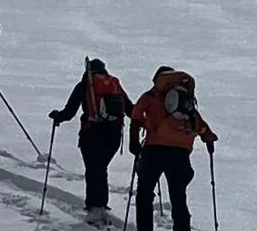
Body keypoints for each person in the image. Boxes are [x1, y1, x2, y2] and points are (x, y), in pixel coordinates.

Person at [129, 66, 218, 231]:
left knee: (144, 195)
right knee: (178, 198)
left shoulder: (150, 96)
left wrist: (134, 143)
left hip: (153, 152)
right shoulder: (185, 101)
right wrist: (209, 138)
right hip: (180, 155)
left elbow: (136, 117)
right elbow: (199, 125)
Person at [50, 59, 134, 227]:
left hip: (92, 134)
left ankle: (94, 208)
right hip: (113, 136)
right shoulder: (115, 85)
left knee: (93, 170)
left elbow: (69, 112)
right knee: (101, 169)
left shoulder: (85, 85)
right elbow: (130, 109)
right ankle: (101, 206)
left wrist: (57, 116)